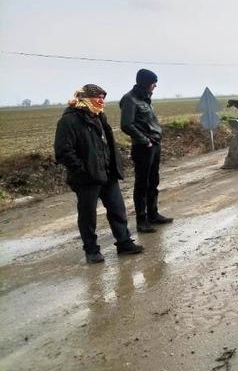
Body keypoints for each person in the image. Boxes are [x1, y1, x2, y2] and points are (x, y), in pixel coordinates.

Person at [54, 84, 144, 263]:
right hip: (86, 178)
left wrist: (113, 164)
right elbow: (63, 151)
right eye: (98, 97)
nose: (102, 101)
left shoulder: (99, 116)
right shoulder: (69, 120)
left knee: (118, 210)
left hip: (107, 174)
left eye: (103, 97)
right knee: (88, 216)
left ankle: (124, 243)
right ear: (85, 99)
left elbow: (106, 144)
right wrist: (82, 170)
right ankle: (92, 250)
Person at [120, 69, 173, 234]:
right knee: (142, 184)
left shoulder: (146, 98)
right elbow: (126, 125)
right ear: (145, 83)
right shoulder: (130, 100)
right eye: (153, 82)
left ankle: (153, 214)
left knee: (153, 181)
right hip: (143, 147)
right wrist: (145, 140)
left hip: (154, 144)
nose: (155, 85)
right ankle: (141, 220)